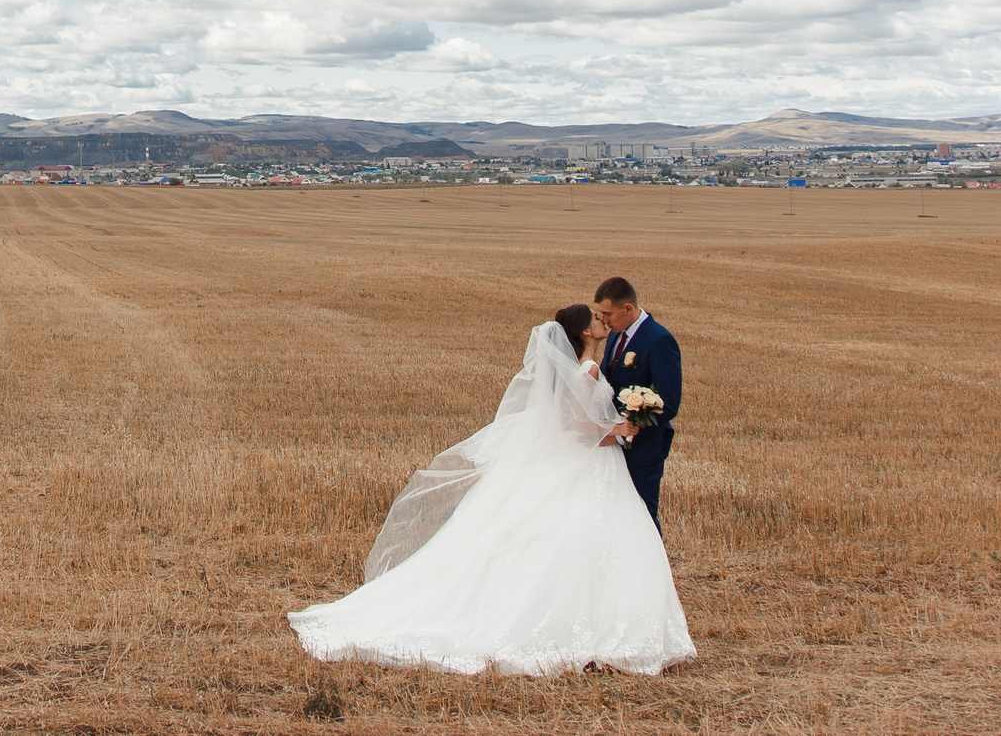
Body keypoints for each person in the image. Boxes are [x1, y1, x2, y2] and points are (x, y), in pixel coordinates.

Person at [287, 301, 695, 677]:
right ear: (585, 333)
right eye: (594, 318)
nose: (601, 321)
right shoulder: (586, 369)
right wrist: (616, 430)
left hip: (590, 461)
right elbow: (577, 425)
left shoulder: (588, 363)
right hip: (592, 459)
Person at [592, 276, 680, 528]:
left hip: (642, 449)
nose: (604, 321)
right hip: (612, 444)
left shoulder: (659, 340)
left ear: (627, 308)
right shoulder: (615, 336)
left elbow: (668, 402)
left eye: (608, 313)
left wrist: (627, 433)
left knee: (641, 518)